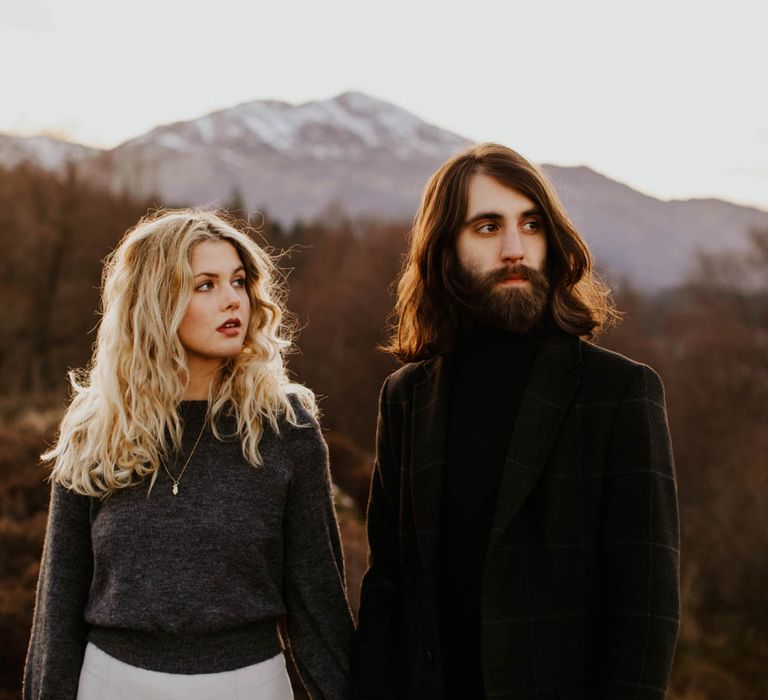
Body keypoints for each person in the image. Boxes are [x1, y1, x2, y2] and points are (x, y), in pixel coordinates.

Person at [354, 144, 680, 699]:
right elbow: (388, 587)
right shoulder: (406, 398)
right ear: (444, 249)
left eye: (531, 225)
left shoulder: (619, 392)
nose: (514, 249)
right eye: (486, 227)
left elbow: (645, 609)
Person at [24, 209, 354, 700]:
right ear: (155, 303)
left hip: (250, 684)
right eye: (205, 285)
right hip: (112, 683)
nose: (232, 301)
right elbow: (59, 601)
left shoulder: (285, 427)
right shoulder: (97, 428)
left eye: (238, 282)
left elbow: (318, 604)